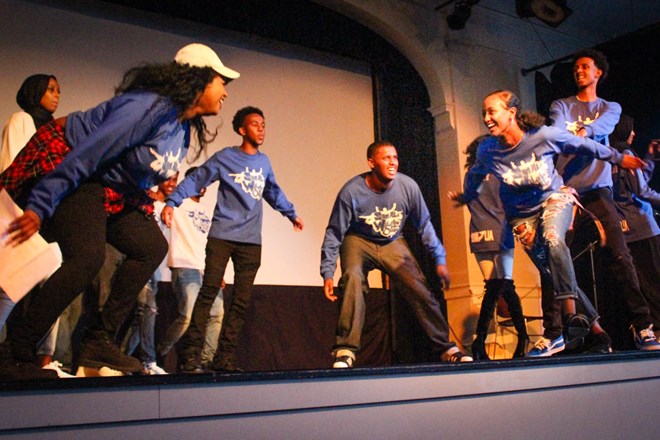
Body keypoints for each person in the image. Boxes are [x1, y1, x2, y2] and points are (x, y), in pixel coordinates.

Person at [0, 43, 240, 378]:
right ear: (197, 79)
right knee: (87, 257)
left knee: (150, 246)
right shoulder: (146, 108)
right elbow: (88, 155)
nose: (225, 92)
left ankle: (98, 340)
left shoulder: (181, 128)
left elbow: (132, 173)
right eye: (220, 82)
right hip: (69, 162)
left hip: (107, 185)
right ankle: (16, 350)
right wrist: (40, 205)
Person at [457, 90, 647, 357]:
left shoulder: (542, 136)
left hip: (554, 199)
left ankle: (568, 322)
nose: (486, 118)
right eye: (483, 113)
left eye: (492, 111)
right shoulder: (488, 149)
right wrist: (466, 196)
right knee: (553, 273)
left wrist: (617, 158)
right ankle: (599, 334)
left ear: (511, 113)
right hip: (522, 217)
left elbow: (584, 146)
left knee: (554, 239)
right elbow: (477, 174)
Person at [162, 106, 304, 373]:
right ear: (241, 130)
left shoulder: (264, 162)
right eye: (255, 124)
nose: (261, 128)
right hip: (222, 236)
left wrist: (291, 214)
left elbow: (272, 191)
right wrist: (172, 201)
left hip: (251, 241)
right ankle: (190, 356)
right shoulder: (226, 157)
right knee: (207, 294)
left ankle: (223, 358)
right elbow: (197, 179)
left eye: (263, 124)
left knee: (241, 302)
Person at [321, 140, 472, 368]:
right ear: (371, 163)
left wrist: (439, 258)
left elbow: (424, 225)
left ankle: (446, 348)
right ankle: (345, 350)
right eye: (386, 158)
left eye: (395, 158)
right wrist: (327, 271)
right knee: (353, 277)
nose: (392, 163)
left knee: (419, 287)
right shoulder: (351, 191)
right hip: (358, 239)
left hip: (392, 240)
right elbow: (334, 232)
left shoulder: (407, 186)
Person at [550, 49, 660, 351]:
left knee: (621, 255)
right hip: (566, 191)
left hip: (598, 191)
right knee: (554, 255)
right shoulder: (561, 105)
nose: (579, 71)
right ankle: (559, 332)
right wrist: (575, 137)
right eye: (576, 67)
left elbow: (603, 127)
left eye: (585, 67)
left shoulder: (610, 108)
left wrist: (585, 130)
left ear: (598, 72)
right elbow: (559, 134)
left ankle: (643, 326)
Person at [448, 135, 528, 360]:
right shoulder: (502, 171)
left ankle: (479, 342)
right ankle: (522, 337)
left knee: (493, 286)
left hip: (480, 231)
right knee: (505, 284)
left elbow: (470, 201)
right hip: (499, 229)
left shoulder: (471, 174)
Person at [156, 166, 225, 368]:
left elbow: (209, 244)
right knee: (187, 316)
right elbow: (159, 202)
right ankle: (158, 353)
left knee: (217, 314)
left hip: (207, 269)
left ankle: (206, 361)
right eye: (199, 179)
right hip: (185, 266)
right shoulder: (178, 202)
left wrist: (218, 271)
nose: (203, 184)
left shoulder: (207, 211)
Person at [123, 173, 178, 375]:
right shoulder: (148, 201)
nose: (172, 184)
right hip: (141, 262)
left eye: (175, 180)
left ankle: (123, 359)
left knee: (144, 314)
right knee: (148, 309)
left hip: (156, 268)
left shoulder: (173, 207)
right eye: (168, 179)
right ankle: (148, 359)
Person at [609, 115, 660, 332]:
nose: (633, 133)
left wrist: (649, 159)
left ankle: (650, 328)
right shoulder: (627, 155)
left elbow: (635, 183)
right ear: (622, 130)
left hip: (624, 229)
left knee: (641, 283)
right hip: (642, 226)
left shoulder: (608, 156)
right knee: (655, 280)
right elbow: (642, 191)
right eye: (630, 129)